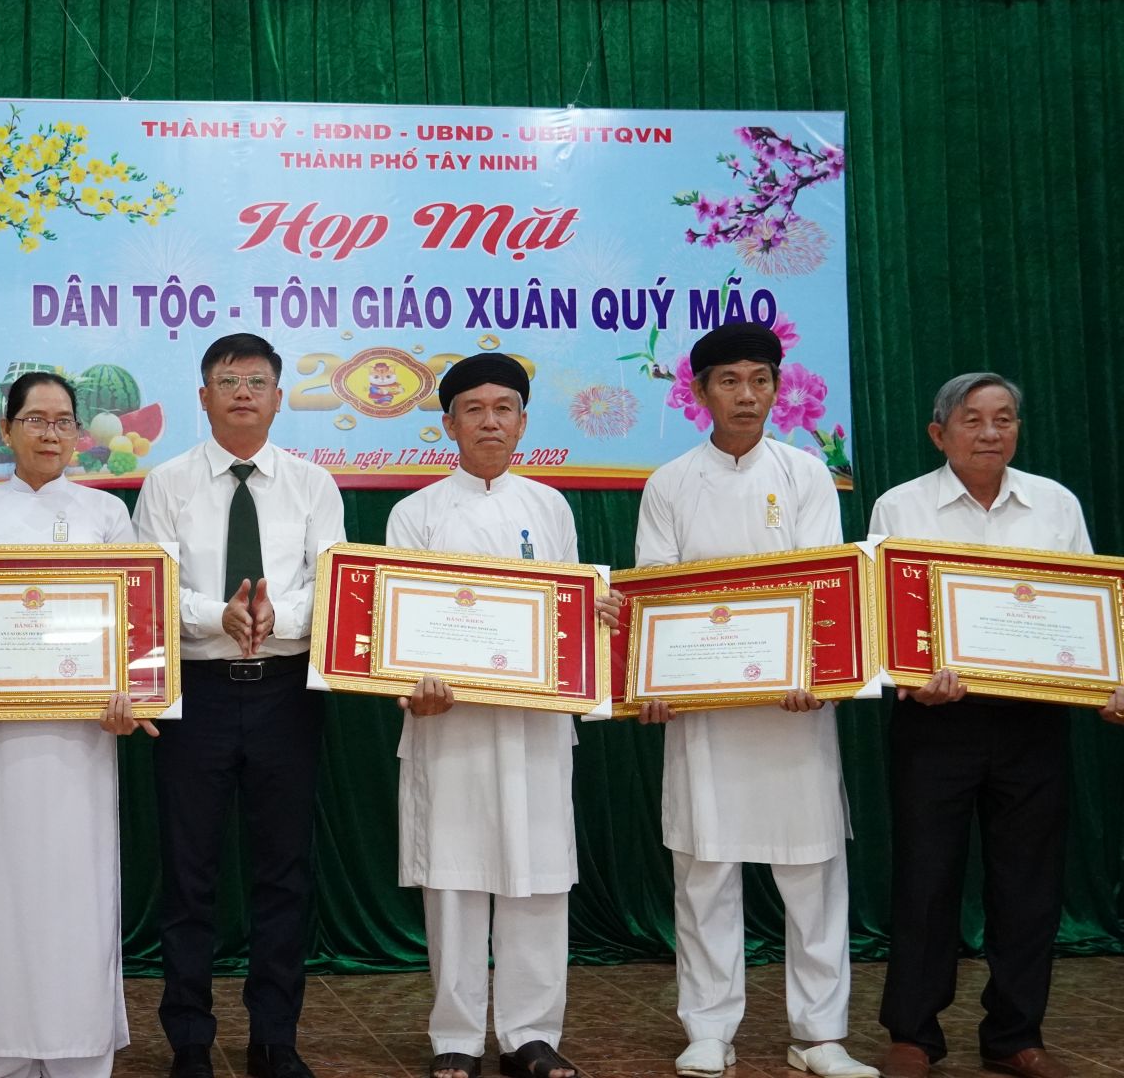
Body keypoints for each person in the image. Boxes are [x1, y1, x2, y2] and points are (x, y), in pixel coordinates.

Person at [633, 323, 877, 1078]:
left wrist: (816, 672)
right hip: (705, 714)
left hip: (792, 710)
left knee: (813, 872)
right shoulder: (670, 483)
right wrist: (656, 684)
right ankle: (708, 1027)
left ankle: (820, 1034)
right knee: (705, 871)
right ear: (700, 391)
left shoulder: (807, 475)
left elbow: (823, 586)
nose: (747, 395)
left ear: (777, 387)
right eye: (730, 380)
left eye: (761, 379)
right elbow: (654, 596)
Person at [870, 373, 1124, 1078]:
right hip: (935, 721)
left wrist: (1107, 684)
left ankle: (1016, 1034)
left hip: (1033, 721)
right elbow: (885, 617)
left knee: (1029, 882)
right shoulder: (900, 505)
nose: (990, 433)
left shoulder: (1056, 504)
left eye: (1004, 419)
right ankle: (913, 1035)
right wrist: (911, 678)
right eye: (973, 419)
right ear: (939, 433)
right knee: (925, 878)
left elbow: (1090, 610)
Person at [386, 354, 620, 1078]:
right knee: (453, 880)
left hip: (535, 724)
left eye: (504, 408)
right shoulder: (415, 513)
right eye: (475, 409)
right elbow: (398, 627)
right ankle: (454, 1037)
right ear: (448, 423)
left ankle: (531, 1035)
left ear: (522, 422)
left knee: (539, 876)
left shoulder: (550, 507)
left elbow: (569, 618)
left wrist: (596, 618)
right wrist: (413, 685)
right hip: (449, 724)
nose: (490, 421)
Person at [132, 332, 346, 1078]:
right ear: (204, 397)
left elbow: (332, 583)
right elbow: (149, 583)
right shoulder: (167, 483)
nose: (244, 392)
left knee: (284, 871)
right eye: (228, 381)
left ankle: (275, 1037)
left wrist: (274, 616)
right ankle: (189, 1038)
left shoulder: (313, 483)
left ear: (280, 397)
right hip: (197, 695)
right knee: (188, 872)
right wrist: (214, 614)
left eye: (257, 381)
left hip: (287, 693)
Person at [0, 371, 157, 1078]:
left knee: (78, 895)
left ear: (80, 435)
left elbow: (133, 624)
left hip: (83, 739)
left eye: (64, 421)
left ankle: (79, 1052)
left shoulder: (107, 515)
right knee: (0, 893)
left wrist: (132, 697)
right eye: (36, 419)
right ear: (6, 431)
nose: (52, 433)